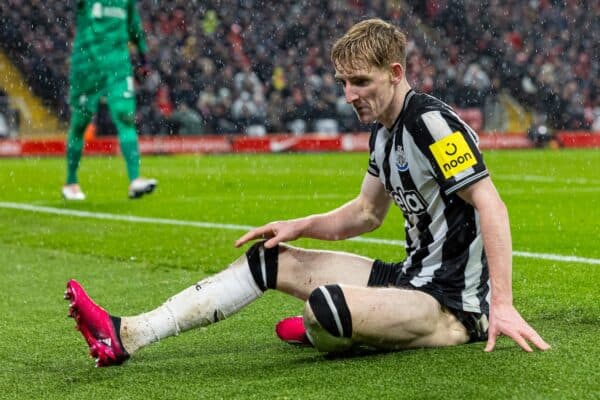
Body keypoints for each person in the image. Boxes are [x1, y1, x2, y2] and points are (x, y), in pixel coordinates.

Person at [65, 18, 549, 367]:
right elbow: (364, 213)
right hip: (409, 277)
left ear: (396, 73)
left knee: (324, 310)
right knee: (270, 258)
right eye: (343, 82)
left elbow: (490, 204)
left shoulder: (431, 123)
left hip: (450, 304)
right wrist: (298, 226)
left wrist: (501, 304)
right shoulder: (384, 131)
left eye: (361, 82)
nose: (349, 94)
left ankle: (343, 327)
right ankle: (128, 332)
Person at [62, 0, 157, 200]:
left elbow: (134, 26)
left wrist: (144, 56)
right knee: (80, 123)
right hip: (87, 66)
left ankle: (135, 180)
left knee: (125, 116)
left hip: (118, 66)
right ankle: (71, 181)